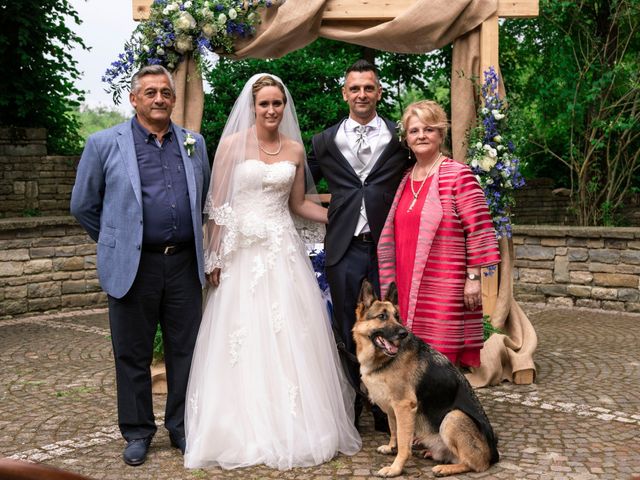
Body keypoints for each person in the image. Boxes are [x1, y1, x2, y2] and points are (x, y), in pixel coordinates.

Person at [184, 74, 361, 470]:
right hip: (242, 254)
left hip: (282, 251)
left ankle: (294, 424)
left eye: (276, 103)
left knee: (289, 336)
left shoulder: (296, 149)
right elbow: (217, 207)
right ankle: (238, 426)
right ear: (252, 106)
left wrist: (344, 217)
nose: (270, 110)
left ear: (284, 106)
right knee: (242, 335)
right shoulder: (231, 146)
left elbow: (299, 204)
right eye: (263, 103)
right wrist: (213, 256)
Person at [70, 65, 211, 466]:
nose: (159, 99)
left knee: (186, 350)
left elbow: (201, 200)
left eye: (165, 92)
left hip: (183, 263)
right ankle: (137, 431)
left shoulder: (193, 142)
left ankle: (181, 427)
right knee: (131, 354)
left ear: (173, 98)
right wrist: (119, 240)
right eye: (150, 92)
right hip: (134, 266)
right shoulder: (103, 143)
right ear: (134, 99)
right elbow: (83, 205)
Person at [308, 59, 411, 430]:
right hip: (343, 250)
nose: (362, 94)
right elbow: (296, 181)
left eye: (369, 88)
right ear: (345, 93)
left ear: (378, 92)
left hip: (388, 248)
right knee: (346, 329)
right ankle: (353, 402)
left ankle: (388, 409)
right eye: (355, 88)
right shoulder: (324, 141)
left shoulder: (402, 138)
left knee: (391, 326)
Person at [378, 100, 500, 368]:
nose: (421, 135)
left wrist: (473, 277)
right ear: (406, 138)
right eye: (414, 130)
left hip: (444, 282)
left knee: (440, 356)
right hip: (406, 281)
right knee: (410, 359)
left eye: (429, 129)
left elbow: (478, 228)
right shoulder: (405, 178)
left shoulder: (458, 175)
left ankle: (448, 408)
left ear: (441, 134)